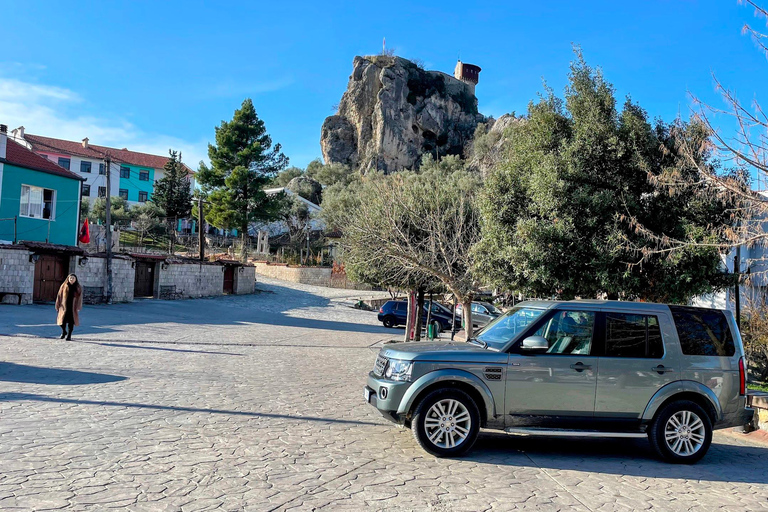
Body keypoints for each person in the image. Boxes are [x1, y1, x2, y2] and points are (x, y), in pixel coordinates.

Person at [55, 274, 83, 341]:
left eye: (73, 278)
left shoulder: (78, 287)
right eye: (70, 278)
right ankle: (64, 331)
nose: (72, 280)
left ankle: (69, 335)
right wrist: (57, 304)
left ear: (75, 279)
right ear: (68, 279)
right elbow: (59, 295)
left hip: (73, 306)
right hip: (64, 306)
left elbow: (80, 298)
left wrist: (78, 306)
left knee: (71, 321)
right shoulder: (64, 286)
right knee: (62, 321)